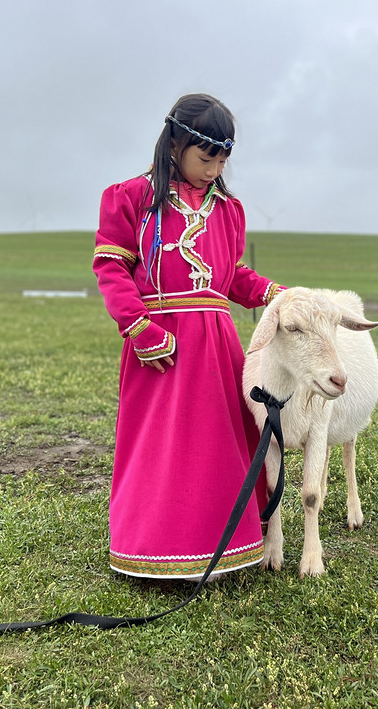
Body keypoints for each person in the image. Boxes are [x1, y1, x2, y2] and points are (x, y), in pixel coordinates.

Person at [93, 93, 285, 579]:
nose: (215, 168)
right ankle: (153, 548)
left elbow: (231, 278)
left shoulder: (229, 209)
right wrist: (137, 327)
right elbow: (111, 268)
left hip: (217, 345)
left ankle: (228, 545)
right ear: (176, 143)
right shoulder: (130, 197)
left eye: (224, 158)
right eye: (207, 157)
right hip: (160, 343)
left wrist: (277, 295)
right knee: (161, 445)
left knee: (219, 444)